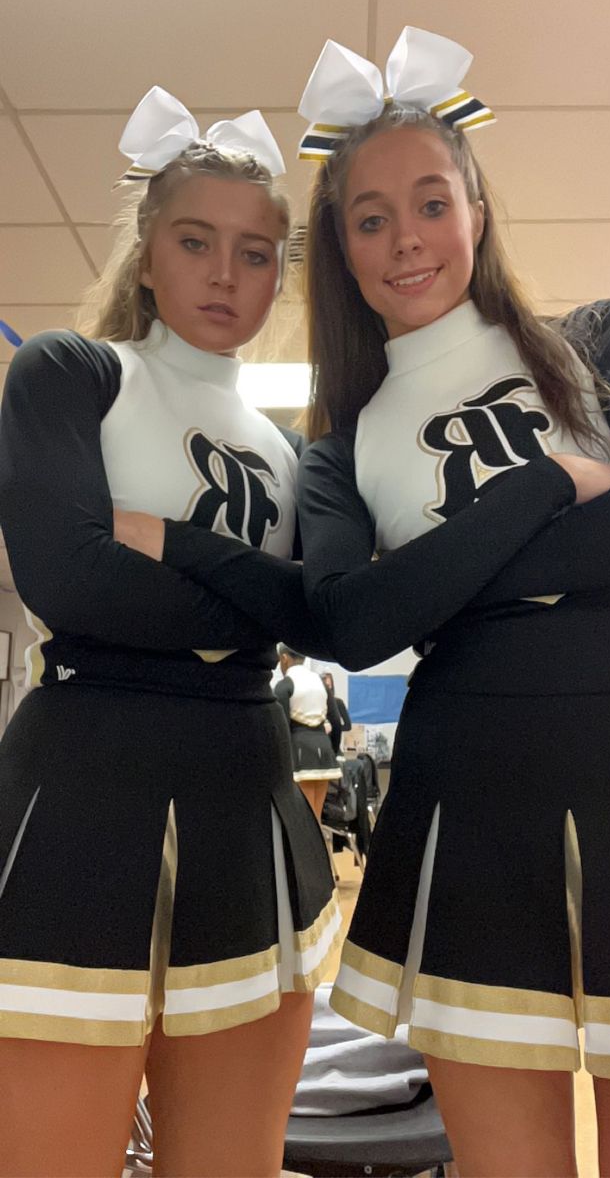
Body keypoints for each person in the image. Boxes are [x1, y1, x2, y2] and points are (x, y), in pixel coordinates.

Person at [292, 27, 610, 1178]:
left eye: (429, 201)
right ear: (342, 251)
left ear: (476, 208)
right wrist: (549, 485)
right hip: (475, 793)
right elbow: (354, 625)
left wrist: (442, 576)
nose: (405, 238)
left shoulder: (601, 341)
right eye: (369, 218)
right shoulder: (341, 444)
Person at [0, 87, 340, 1178]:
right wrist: (261, 607)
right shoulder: (69, 373)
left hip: (248, 808)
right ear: (147, 254)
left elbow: (319, 621)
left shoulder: (297, 454)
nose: (224, 275)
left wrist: (171, 549)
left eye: (256, 253)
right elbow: (71, 583)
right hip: (77, 801)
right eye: (196, 242)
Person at [275, 645, 342, 820]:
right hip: (324, 753)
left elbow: (280, 728)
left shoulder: (284, 685)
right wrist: (332, 751)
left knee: (302, 820)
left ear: (284, 658)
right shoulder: (320, 683)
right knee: (316, 817)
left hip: (298, 754)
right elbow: (336, 721)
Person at [320, 670, 352, 755]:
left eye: (328, 685)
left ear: (331, 686)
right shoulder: (317, 703)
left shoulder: (338, 702)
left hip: (334, 747)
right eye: (324, 685)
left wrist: (334, 727)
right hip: (320, 745)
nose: (326, 688)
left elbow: (348, 726)